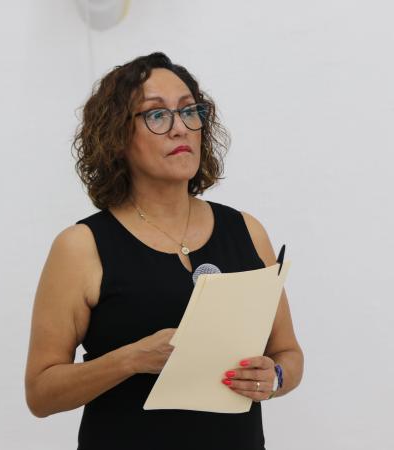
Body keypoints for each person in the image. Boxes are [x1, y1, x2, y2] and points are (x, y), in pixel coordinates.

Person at [24, 52, 304, 449]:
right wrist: (132, 359)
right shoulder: (81, 246)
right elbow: (40, 393)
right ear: (118, 136)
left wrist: (274, 377)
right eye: (157, 115)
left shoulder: (246, 230)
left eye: (189, 111)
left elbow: (288, 352)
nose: (180, 129)